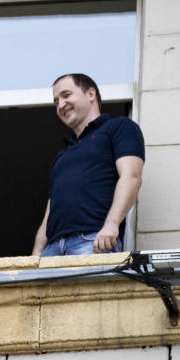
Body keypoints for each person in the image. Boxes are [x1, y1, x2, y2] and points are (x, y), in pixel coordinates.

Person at [32, 73, 145, 256]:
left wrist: (111, 225)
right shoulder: (62, 156)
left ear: (91, 94)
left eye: (66, 95)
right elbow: (50, 212)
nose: (61, 105)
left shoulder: (119, 128)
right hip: (52, 249)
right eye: (56, 101)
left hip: (92, 241)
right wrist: (36, 255)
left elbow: (131, 177)